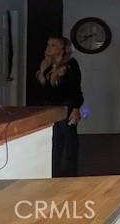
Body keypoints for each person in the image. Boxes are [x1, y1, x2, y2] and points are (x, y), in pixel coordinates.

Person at [36, 36, 84, 177]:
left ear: (63, 49)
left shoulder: (71, 64)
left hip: (66, 106)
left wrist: (76, 108)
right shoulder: (46, 64)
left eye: (53, 45)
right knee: (54, 141)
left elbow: (76, 89)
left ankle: (71, 174)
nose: (49, 47)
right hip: (49, 106)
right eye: (48, 44)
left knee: (69, 141)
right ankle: (54, 173)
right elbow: (44, 89)